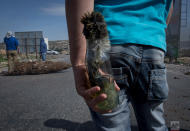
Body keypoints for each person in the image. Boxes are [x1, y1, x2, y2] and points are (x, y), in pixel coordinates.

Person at [66, 0, 173, 131]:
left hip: (110, 43)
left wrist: (79, 63)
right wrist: (154, 36)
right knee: (155, 123)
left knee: (113, 123)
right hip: (153, 45)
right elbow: (167, 10)